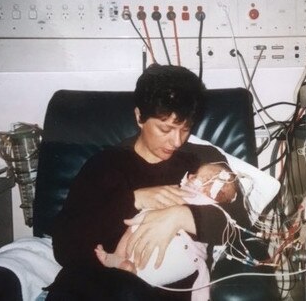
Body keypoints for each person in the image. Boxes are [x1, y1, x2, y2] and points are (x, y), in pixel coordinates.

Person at [46, 64, 252, 301]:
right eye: (166, 129)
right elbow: (65, 247)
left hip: (161, 289)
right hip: (96, 284)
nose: (176, 141)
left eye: (185, 129)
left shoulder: (203, 162)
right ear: (139, 117)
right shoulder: (106, 164)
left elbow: (243, 225)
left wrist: (181, 216)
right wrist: (133, 199)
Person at [94, 162, 239, 301]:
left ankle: (133, 272)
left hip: (183, 251)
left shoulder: (208, 203)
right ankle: (119, 258)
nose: (189, 176)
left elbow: (233, 221)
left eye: (195, 176)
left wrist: (180, 215)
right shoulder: (118, 161)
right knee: (135, 225)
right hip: (147, 232)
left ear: (210, 189)